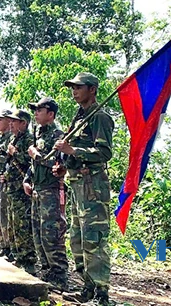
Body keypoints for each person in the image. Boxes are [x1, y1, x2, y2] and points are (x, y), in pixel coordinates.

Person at [55, 73, 114, 306]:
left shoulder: (99, 118)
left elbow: (104, 153)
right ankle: (87, 288)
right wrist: (64, 165)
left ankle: (102, 294)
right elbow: (76, 150)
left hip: (93, 187)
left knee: (94, 239)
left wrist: (73, 152)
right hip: (77, 184)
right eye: (72, 87)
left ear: (92, 89)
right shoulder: (80, 118)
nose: (74, 91)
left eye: (79, 87)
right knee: (77, 239)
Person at [24, 97, 68, 290]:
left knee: (52, 232)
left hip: (51, 190)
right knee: (38, 232)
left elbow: (59, 165)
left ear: (50, 114)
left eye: (39, 110)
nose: (36, 113)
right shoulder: (38, 134)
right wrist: (27, 179)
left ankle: (59, 274)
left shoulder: (58, 135)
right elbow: (34, 165)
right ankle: (46, 270)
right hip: (37, 189)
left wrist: (36, 155)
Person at [5, 109, 36, 274]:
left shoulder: (29, 139)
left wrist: (14, 152)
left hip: (22, 188)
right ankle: (16, 254)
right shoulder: (14, 139)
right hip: (11, 186)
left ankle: (28, 259)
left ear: (23, 123)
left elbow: (30, 162)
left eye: (14, 121)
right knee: (13, 223)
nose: (11, 124)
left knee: (23, 223)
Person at [0, 109, 14, 259]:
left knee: (7, 214)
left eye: (0, 119)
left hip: (9, 181)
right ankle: (2, 243)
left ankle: (9, 247)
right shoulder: (1, 139)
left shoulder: (11, 138)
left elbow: (6, 159)